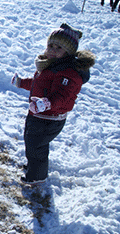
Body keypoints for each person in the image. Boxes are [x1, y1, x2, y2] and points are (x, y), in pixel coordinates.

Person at [11, 24, 96, 185]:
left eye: (58, 47)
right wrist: (21, 82)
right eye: (50, 45)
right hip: (39, 114)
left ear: (68, 52)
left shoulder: (67, 73)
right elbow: (39, 85)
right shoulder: (52, 65)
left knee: (37, 147)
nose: (52, 50)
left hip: (49, 119)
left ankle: (37, 176)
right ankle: (34, 167)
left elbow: (62, 96)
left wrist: (46, 103)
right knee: (32, 142)